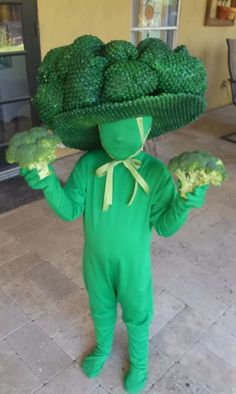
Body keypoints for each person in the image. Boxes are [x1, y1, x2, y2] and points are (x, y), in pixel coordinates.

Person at [21, 35, 208, 393]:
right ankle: (104, 347)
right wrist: (46, 180)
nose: (119, 134)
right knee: (100, 306)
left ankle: (139, 362)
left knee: (138, 313)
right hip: (95, 260)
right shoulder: (89, 163)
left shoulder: (155, 172)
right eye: (110, 123)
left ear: (146, 125)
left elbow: (166, 228)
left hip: (135, 263)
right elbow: (69, 210)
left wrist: (185, 200)